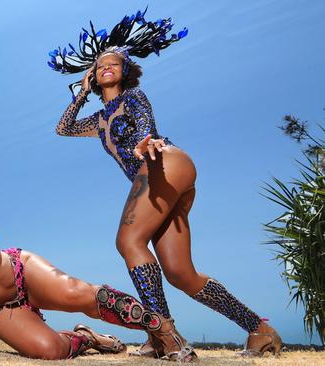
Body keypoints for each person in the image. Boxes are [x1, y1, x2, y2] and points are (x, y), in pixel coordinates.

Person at [49, 9, 281, 359]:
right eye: (100, 66)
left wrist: (146, 141)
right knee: (180, 273)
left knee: (128, 240)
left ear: (126, 70)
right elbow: (63, 128)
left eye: (114, 62)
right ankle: (259, 329)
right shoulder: (99, 119)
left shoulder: (133, 98)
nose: (106, 66)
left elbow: (144, 124)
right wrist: (80, 94)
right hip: (164, 180)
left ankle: (164, 335)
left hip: (162, 162)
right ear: (93, 76)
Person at [0, 96, 178, 365]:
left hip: (22, 273)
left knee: (82, 296)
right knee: (50, 351)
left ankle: (163, 330)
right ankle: (88, 338)